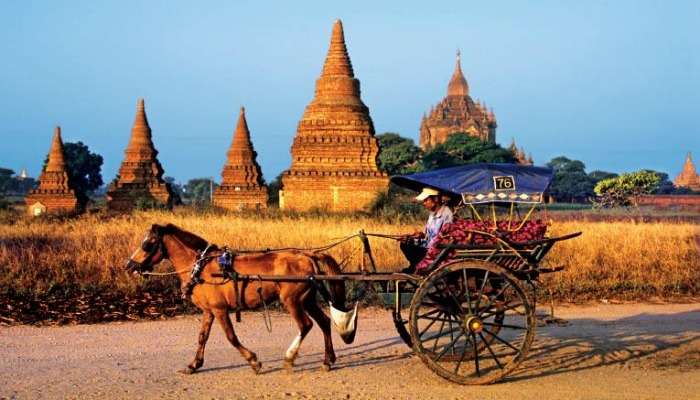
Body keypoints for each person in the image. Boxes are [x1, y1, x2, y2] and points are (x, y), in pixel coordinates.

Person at [400, 187, 453, 273]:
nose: (424, 203)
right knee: (405, 243)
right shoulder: (432, 215)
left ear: (435, 199)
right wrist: (419, 236)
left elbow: (443, 237)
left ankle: (417, 267)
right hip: (428, 246)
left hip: (435, 250)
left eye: (426, 200)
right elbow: (428, 235)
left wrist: (424, 242)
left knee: (409, 246)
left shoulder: (447, 215)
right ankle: (414, 265)